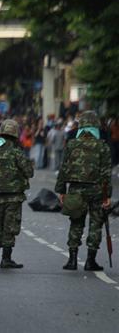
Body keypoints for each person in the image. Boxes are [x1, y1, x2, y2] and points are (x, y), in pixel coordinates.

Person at [55, 111, 112, 271]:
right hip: (97, 191)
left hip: (75, 190)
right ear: (95, 127)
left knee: (75, 224)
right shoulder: (103, 146)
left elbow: (64, 168)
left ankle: (72, 260)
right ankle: (90, 261)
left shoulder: (72, 145)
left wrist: (61, 190)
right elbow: (106, 173)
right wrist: (107, 196)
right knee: (96, 225)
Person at [0, 119, 34, 269]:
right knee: (10, 226)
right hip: (14, 195)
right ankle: (6, 259)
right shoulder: (17, 153)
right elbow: (29, 172)